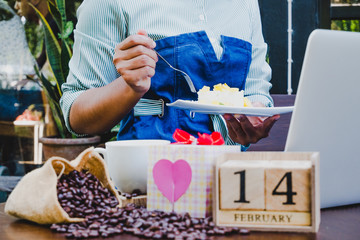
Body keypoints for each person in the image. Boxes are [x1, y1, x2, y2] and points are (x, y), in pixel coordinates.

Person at [60, 0, 280, 149]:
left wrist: (256, 115)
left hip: (229, 181)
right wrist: (129, 86)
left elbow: (254, 90)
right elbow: (77, 116)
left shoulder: (245, 4)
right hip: (148, 185)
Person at [14, 0, 60, 69]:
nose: (16, 6)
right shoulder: (45, 26)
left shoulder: (55, 26)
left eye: (19, 1)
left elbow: (49, 69)